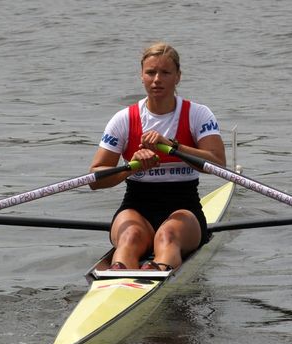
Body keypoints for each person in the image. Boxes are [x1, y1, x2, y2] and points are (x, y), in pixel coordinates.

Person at [89, 42, 226, 271]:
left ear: (178, 77)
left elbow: (218, 164)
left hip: (184, 207)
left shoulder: (198, 114)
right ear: (141, 76)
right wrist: (132, 167)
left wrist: (172, 146)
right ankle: (120, 276)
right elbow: (96, 179)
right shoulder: (123, 119)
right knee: (130, 236)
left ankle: (156, 270)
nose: (156, 79)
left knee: (167, 236)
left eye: (165, 72)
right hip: (136, 205)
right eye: (150, 72)